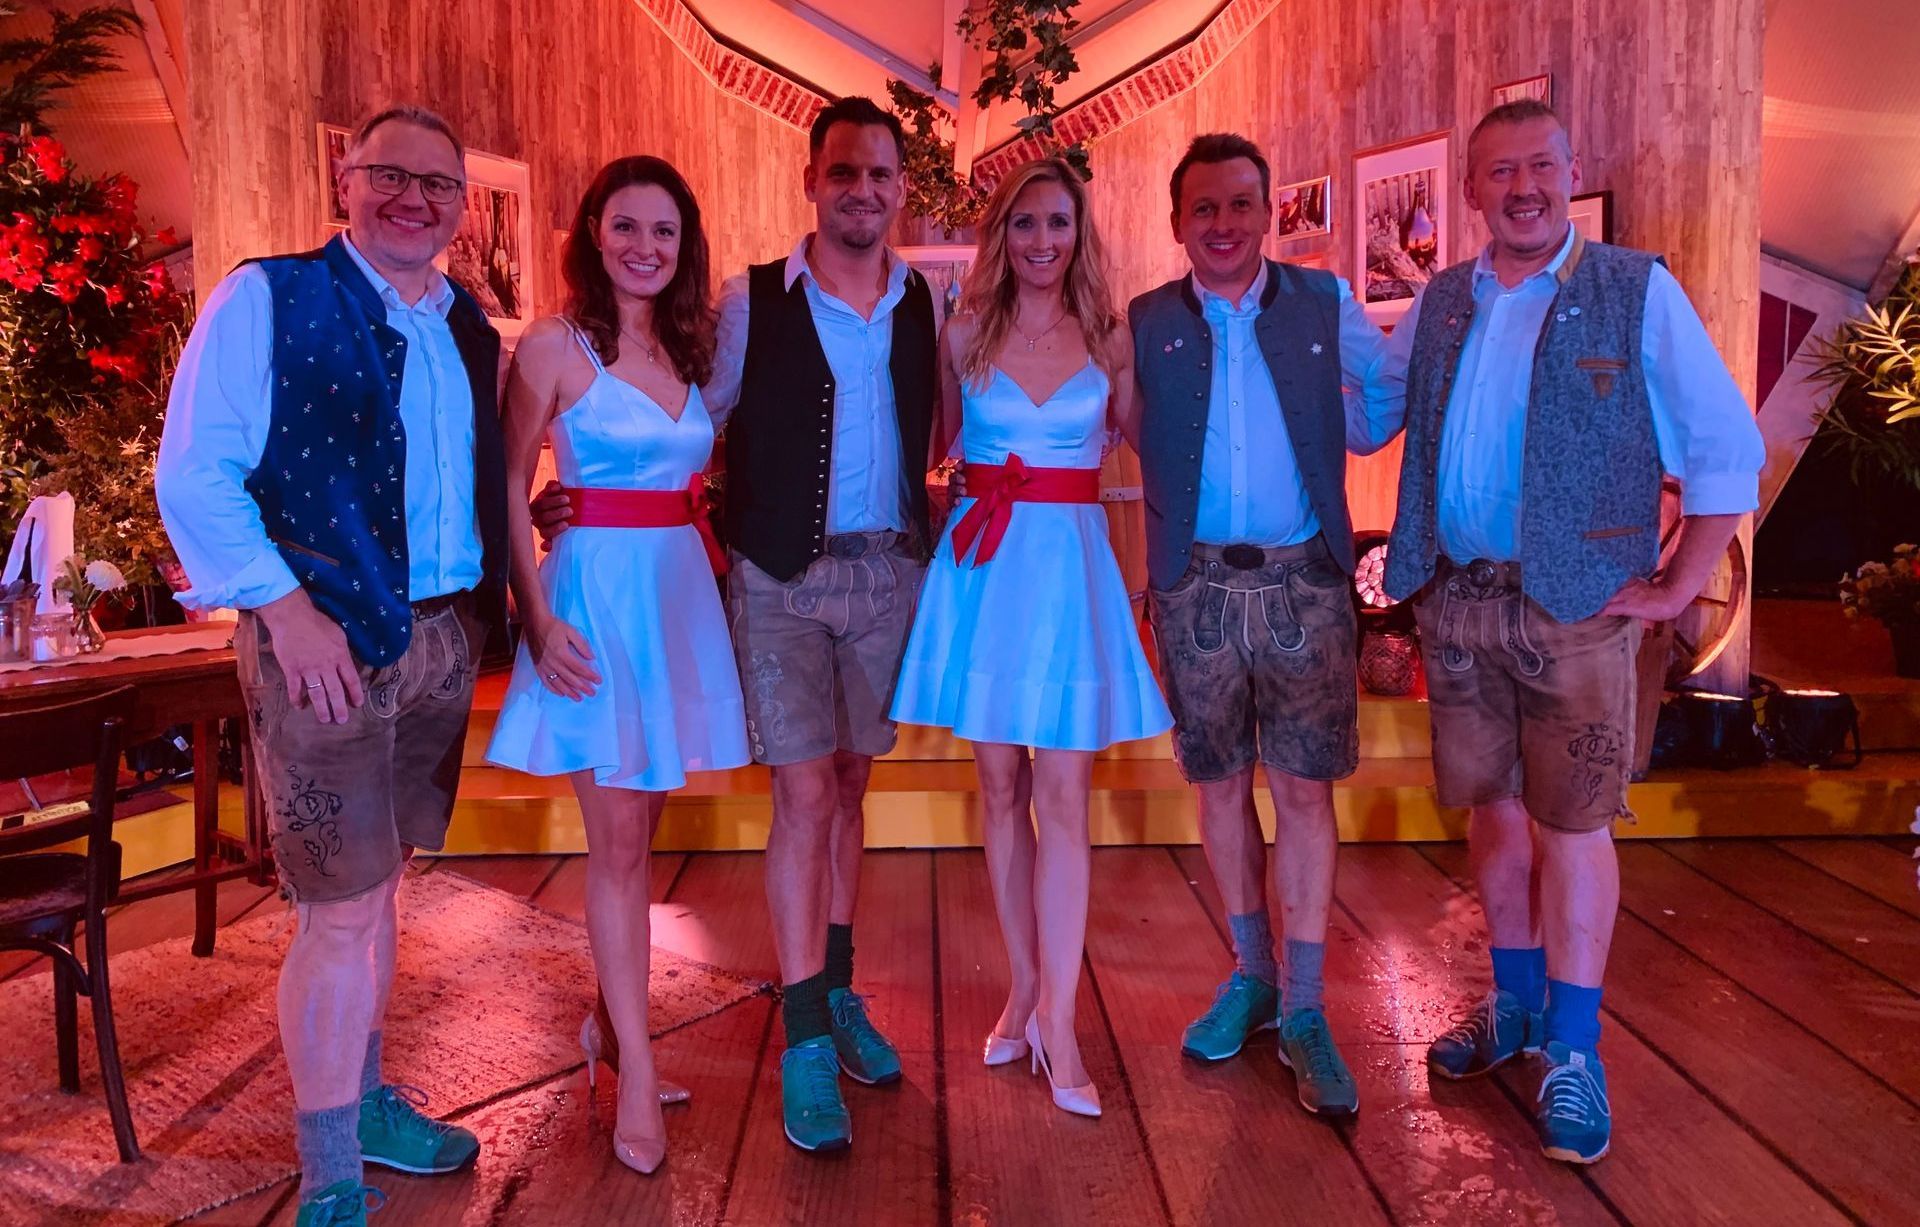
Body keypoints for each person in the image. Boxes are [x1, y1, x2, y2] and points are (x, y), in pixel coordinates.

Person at [533, 96, 937, 1153]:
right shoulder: (750, 302)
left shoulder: (923, 301)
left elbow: (932, 427)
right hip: (779, 579)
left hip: (885, 576)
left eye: (879, 174)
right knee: (803, 796)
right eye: (842, 171)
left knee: (849, 790)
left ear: (901, 188)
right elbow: (681, 418)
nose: (861, 190)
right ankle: (803, 1036)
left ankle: (835, 992)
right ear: (811, 181)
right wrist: (576, 496)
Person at [1381, 99, 1765, 1164]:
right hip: (1463, 603)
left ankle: (1575, 1047)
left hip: (1579, 612)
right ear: (1470, 189)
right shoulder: (1444, 300)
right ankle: (1513, 1008)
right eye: (1500, 171)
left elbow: (1726, 447)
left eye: (1540, 166)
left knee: (1577, 826)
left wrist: (1679, 585)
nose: (1523, 188)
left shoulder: (1635, 289)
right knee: (1495, 814)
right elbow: (1371, 411)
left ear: (1569, 168)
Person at [156, 106, 505, 1227]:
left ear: (462, 207)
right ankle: (330, 1176)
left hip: (440, 637)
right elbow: (193, 473)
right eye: (389, 174)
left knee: (380, 884)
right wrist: (285, 612)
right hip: (322, 642)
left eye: (437, 185)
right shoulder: (268, 297)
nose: (413, 199)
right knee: (340, 910)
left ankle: (362, 1105)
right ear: (345, 180)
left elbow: (455, 479)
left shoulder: (466, 324)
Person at [891, 156, 1171, 1118]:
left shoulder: (1110, 334)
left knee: (1064, 794)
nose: (1042, 240)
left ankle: (1061, 1018)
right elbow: (922, 448)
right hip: (985, 572)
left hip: (1072, 572)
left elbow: (1156, 446)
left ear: (1079, 232)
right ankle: (1022, 985)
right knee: (1002, 787)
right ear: (1000, 235)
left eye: (1057, 222)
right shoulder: (964, 330)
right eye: (1024, 223)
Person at [1128, 133, 1402, 1118]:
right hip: (1194, 586)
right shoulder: (1145, 319)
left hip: (1305, 585)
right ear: (1177, 222)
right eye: (1203, 207)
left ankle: (1305, 1004)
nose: (1224, 224)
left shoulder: (1325, 303)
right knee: (1217, 786)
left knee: (1303, 791)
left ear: (1269, 210)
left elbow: (1385, 395)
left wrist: (1343, 424)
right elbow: (1115, 420)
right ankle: (1251, 975)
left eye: (1241, 204)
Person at [484, 156, 748, 1175]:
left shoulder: (692, 347)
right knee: (621, 845)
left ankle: (611, 1024)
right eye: (626, 226)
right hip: (594, 600)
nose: (645, 246)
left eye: (664, 231)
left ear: (685, 247)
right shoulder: (556, 344)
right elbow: (509, 484)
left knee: (647, 829)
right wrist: (535, 620)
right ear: (594, 233)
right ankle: (637, 1068)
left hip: (677, 596)